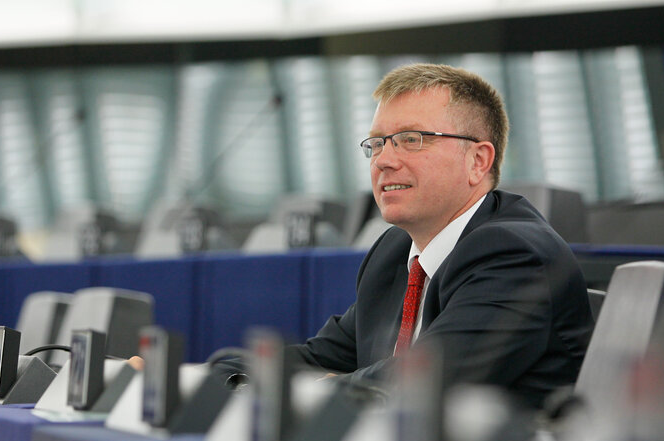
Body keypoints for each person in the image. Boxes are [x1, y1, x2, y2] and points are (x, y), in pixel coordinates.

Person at [218, 63, 594, 409]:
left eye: (411, 139)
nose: (383, 160)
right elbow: (316, 358)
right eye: (378, 143)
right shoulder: (395, 251)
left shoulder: (515, 256)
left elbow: (414, 387)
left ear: (478, 161)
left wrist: (307, 387)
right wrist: (228, 371)